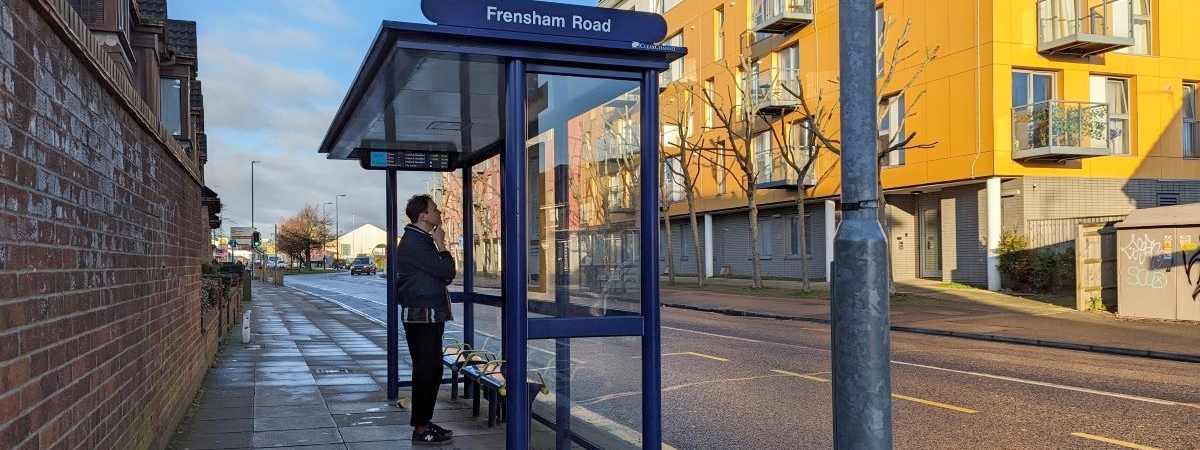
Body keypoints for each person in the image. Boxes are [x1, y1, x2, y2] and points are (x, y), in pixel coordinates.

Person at [396, 194, 456, 445]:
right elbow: (446, 271)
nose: (439, 213)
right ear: (423, 216)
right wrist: (442, 245)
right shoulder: (416, 242)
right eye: (434, 210)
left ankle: (424, 423)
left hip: (427, 315)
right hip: (422, 316)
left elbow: (441, 274)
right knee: (427, 370)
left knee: (431, 369)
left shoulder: (419, 239)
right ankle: (421, 429)